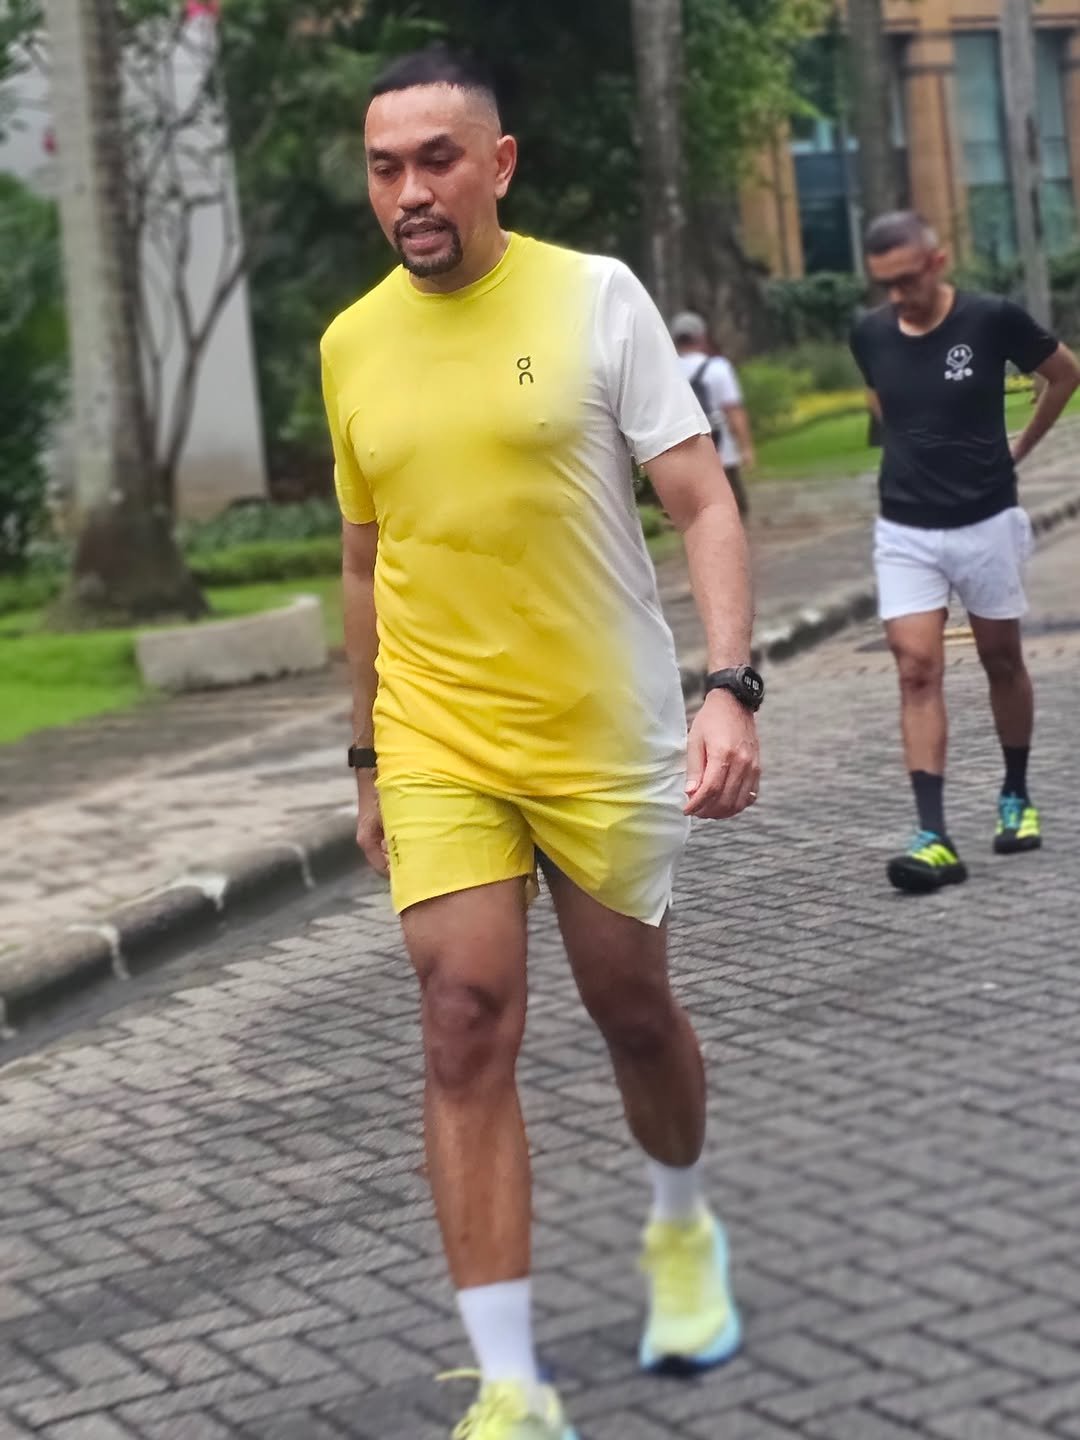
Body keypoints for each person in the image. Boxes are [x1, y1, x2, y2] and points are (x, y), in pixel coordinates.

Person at [321, 44, 763, 1440]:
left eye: (437, 160)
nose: (411, 192)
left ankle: (680, 1224)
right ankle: (510, 1385)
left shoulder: (594, 298)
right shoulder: (350, 343)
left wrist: (730, 684)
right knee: (462, 1020)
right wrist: (367, 757)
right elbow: (363, 558)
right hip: (437, 735)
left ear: (498, 164)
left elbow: (701, 501)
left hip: (599, 728)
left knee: (633, 1010)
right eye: (386, 168)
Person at [850, 211, 1080, 894]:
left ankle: (1015, 793)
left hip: (986, 520)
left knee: (1000, 659)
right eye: (885, 285)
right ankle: (934, 836)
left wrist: (1019, 448)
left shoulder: (991, 319)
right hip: (905, 527)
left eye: (907, 279)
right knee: (916, 669)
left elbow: (1065, 375)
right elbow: (887, 405)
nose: (898, 296)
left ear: (937, 261)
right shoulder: (869, 333)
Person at [670, 311, 755, 518]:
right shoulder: (718, 368)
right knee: (734, 510)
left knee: (698, 515)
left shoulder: (668, 371)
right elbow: (733, 410)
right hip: (722, 451)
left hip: (685, 456)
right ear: (701, 337)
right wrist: (746, 447)